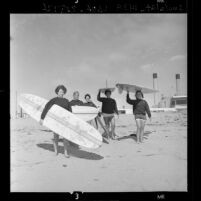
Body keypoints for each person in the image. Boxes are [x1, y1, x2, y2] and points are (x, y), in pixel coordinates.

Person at [39, 85, 72, 158]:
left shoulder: (67, 101)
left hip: (64, 121)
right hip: (56, 121)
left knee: (65, 138)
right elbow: (46, 108)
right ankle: (56, 151)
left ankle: (65, 152)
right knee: (56, 136)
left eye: (63, 91)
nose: (61, 93)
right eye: (60, 91)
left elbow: (70, 112)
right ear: (57, 92)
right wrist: (42, 118)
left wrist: (70, 121)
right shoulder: (53, 100)